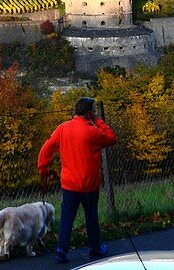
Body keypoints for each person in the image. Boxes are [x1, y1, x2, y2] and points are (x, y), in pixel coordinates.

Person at [38, 96, 117, 263]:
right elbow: (111, 138)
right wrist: (98, 121)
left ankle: (61, 250)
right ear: (89, 113)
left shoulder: (63, 128)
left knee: (67, 217)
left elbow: (46, 149)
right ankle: (95, 248)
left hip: (69, 184)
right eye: (93, 111)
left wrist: (43, 168)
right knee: (91, 217)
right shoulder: (93, 132)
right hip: (89, 184)